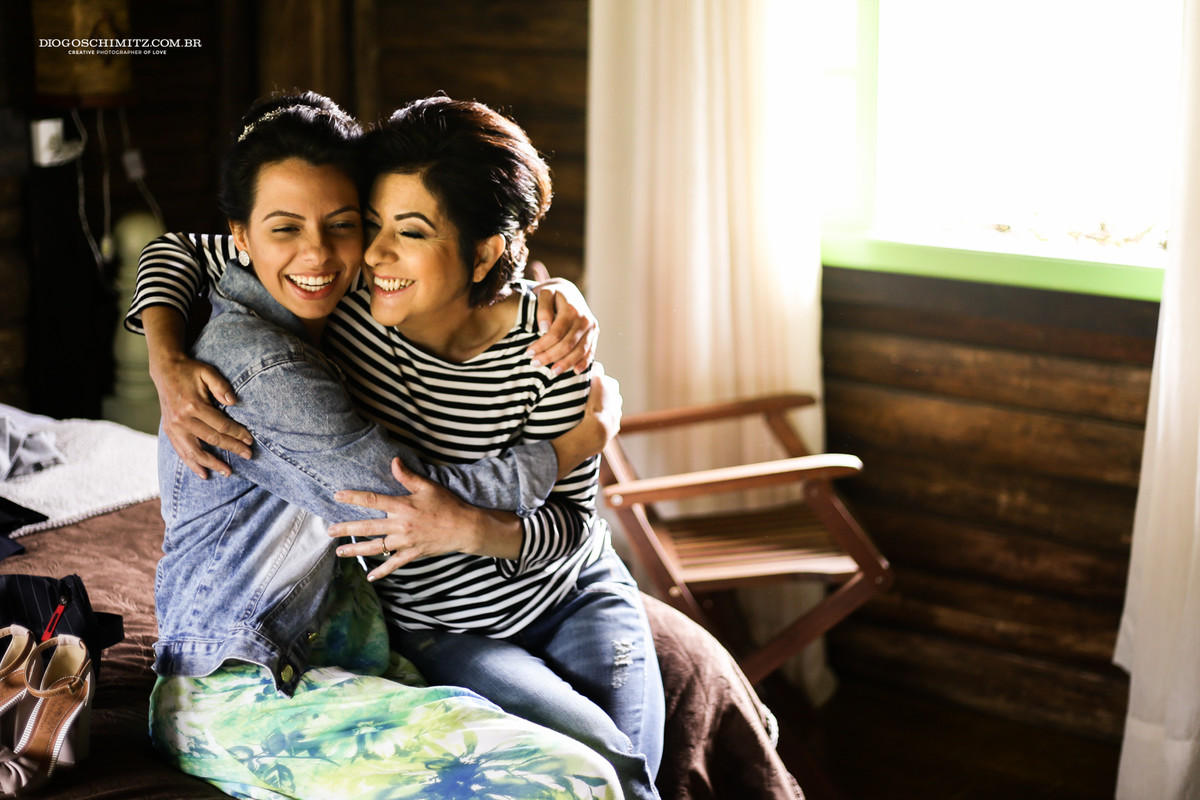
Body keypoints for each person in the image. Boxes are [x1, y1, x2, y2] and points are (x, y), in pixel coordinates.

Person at [134, 93, 664, 800]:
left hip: (558, 594)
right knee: (603, 772)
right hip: (356, 645)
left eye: (351, 226)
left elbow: (571, 520)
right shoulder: (308, 326)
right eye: (373, 224)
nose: (336, 253)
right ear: (244, 237)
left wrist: (558, 292)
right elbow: (401, 502)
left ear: (484, 252)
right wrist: (164, 357)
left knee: (625, 769)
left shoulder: (541, 341)